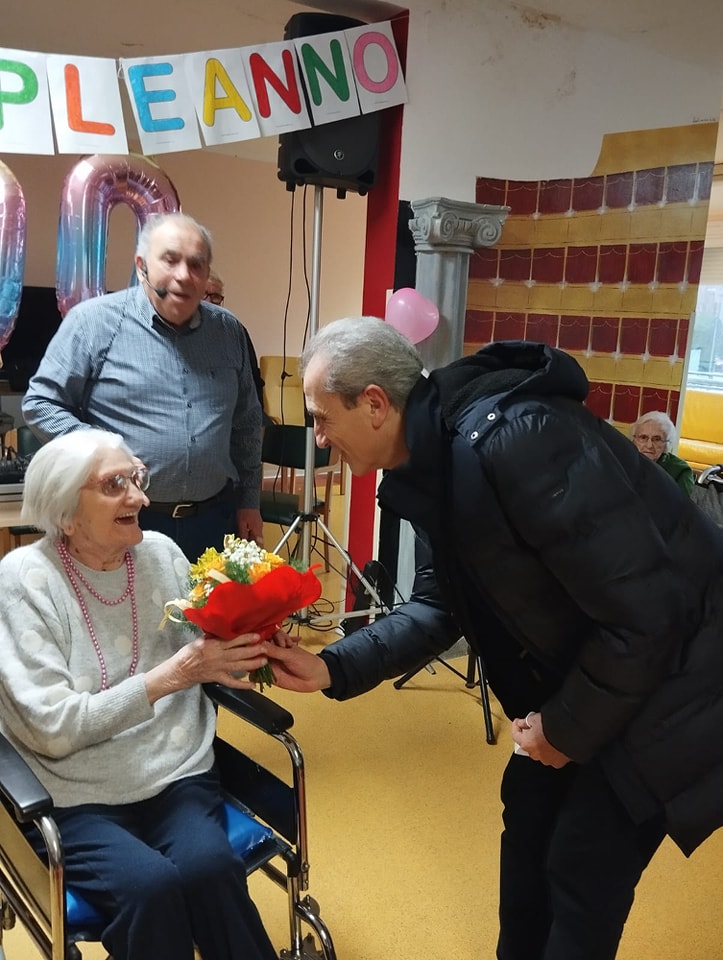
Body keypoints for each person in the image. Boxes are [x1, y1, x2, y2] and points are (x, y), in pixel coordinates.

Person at [258, 317, 723, 960]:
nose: (317, 436)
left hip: (672, 682)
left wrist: (562, 729)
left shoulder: (518, 440)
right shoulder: (433, 463)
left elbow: (647, 615)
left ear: (372, 403)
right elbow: (436, 606)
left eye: (320, 416)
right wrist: (333, 667)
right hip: (592, 679)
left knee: (581, 867)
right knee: (528, 829)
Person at [0, 429, 278, 960]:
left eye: (138, 478)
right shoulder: (24, 581)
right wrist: (171, 676)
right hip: (73, 792)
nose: (141, 498)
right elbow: (52, 728)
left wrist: (254, 638)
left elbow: (201, 649)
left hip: (174, 772)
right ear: (65, 512)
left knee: (211, 869)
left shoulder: (161, 553)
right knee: (148, 888)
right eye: (115, 485)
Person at [22, 212, 263, 560]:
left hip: (214, 521)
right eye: (170, 260)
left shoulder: (229, 332)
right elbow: (41, 402)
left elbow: (247, 424)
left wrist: (249, 502)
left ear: (207, 274)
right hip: (122, 519)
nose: (184, 275)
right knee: (125, 615)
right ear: (141, 266)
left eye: (196, 265)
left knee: (205, 616)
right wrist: (105, 452)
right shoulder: (92, 323)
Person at [204, 269, 267, 419]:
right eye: (203, 294)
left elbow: (254, 381)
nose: (209, 301)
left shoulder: (236, 331)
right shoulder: (182, 334)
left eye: (216, 297)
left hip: (236, 409)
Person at [630, 409, 695, 495]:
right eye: (643, 437)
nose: (649, 445)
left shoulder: (680, 470)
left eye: (657, 439)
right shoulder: (623, 461)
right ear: (634, 440)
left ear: (667, 444)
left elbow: (682, 505)